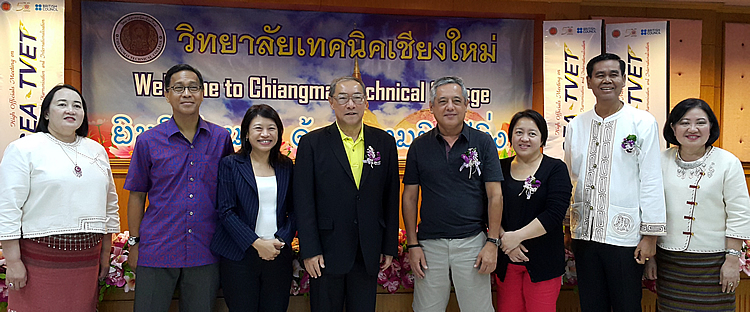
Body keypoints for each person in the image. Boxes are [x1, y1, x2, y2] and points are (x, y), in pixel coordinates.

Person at [0, 84, 120, 311]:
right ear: (46, 112)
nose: (71, 110)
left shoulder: (96, 151)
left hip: (86, 258)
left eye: (77, 106)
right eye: (62, 104)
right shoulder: (24, 149)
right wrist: (13, 261)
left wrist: (105, 253)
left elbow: (110, 204)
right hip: (38, 257)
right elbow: (7, 207)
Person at [124, 64, 234, 312]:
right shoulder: (148, 141)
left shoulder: (220, 139)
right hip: (157, 248)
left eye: (193, 87)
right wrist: (135, 243)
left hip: (205, 250)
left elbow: (230, 193)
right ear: (167, 94)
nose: (187, 93)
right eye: (179, 88)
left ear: (202, 93)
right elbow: (137, 195)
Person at [564, 52, 667, 312]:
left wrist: (650, 236)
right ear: (588, 81)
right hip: (584, 233)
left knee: (626, 304)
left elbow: (652, 179)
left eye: (613, 74)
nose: (606, 80)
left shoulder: (642, 122)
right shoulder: (576, 125)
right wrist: (567, 226)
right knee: (591, 304)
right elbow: (569, 178)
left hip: (625, 236)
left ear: (623, 80)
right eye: (599, 75)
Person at [294, 76, 400, 312]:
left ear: (366, 102)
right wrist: (310, 250)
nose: (350, 104)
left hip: (368, 249)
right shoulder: (312, 143)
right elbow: (304, 201)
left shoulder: (384, 142)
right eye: (342, 98)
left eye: (356, 98)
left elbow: (391, 198)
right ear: (331, 102)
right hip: (325, 253)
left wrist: (389, 246)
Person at [402, 76, 503, 312]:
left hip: (472, 243)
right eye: (443, 101)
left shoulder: (483, 142)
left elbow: (495, 195)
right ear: (432, 107)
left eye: (457, 101)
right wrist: (412, 244)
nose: (450, 107)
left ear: (466, 105)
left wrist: (492, 242)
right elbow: (409, 197)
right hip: (429, 246)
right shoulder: (419, 146)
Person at [643, 98, 750, 311]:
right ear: (673, 127)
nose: (693, 129)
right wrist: (651, 256)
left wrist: (732, 260)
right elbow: (649, 208)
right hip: (670, 261)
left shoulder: (728, 162)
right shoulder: (658, 160)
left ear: (711, 126)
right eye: (684, 122)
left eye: (701, 122)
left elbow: (739, 213)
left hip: (714, 263)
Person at [210, 104, 296, 312]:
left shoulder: (286, 165)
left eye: (271, 128)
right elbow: (226, 211)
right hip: (239, 256)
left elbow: (295, 210)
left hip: (277, 254)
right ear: (247, 134)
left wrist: (281, 240)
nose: (265, 134)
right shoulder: (231, 164)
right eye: (258, 128)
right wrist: (256, 243)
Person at [495, 109, 572, 312]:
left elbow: (554, 213)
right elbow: (487, 208)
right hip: (506, 258)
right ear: (510, 136)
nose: (524, 138)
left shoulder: (555, 168)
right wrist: (506, 241)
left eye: (532, 133)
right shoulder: (499, 168)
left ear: (542, 138)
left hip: (544, 261)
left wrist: (516, 237)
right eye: (519, 132)